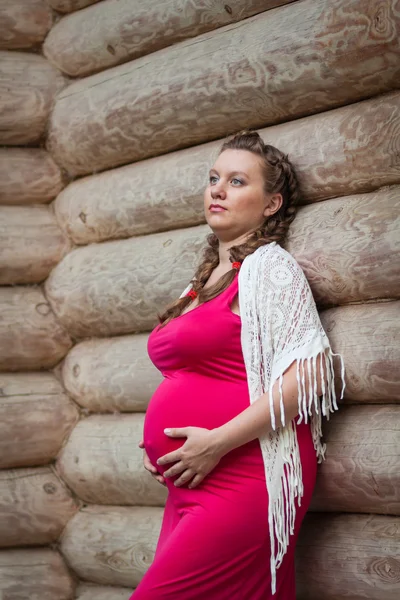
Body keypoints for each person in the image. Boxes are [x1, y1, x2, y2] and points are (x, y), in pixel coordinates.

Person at [131, 130, 346, 599]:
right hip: (192, 478)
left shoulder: (269, 268)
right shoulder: (206, 278)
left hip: (243, 473)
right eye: (213, 178)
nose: (218, 190)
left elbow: (310, 375)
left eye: (236, 181)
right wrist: (164, 447)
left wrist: (215, 442)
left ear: (271, 204)